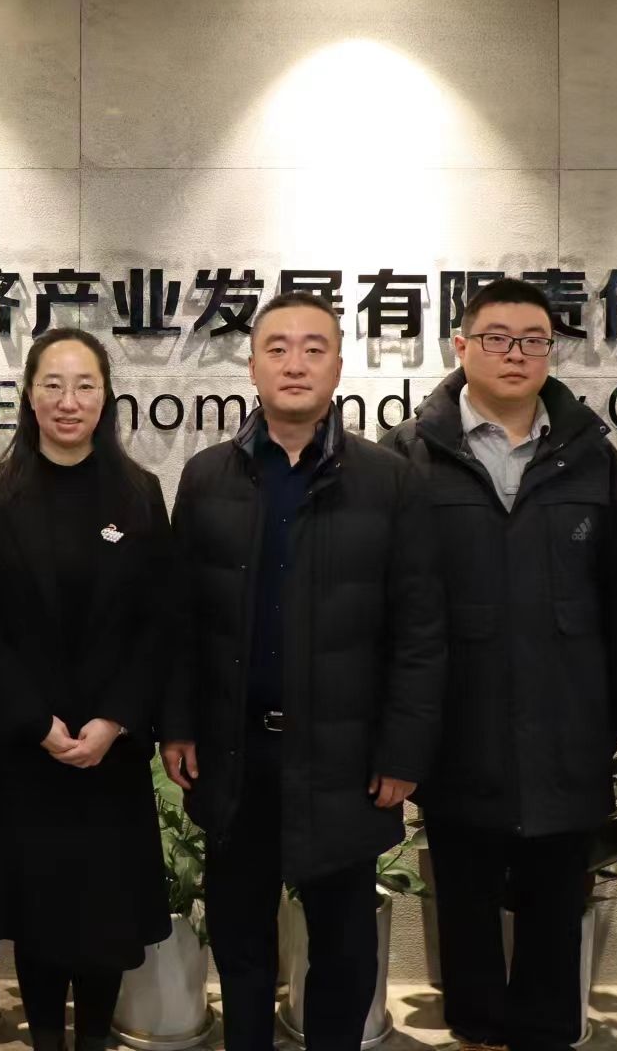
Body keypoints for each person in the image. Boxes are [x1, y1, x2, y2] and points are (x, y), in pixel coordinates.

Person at [162, 292, 446, 1051]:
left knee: (344, 948)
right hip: (236, 752)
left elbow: (420, 632)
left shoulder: (389, 480)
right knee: (241, 939)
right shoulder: (207, 477)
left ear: (339, 367)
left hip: (344, 757)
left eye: (314, 348)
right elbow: (181, 618)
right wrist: (178, 724)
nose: (295, 363)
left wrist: (402, 751)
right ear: (252, 366)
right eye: (278, 348)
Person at [380, 278, 617, 1051]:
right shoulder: (409, 456)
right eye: (496, 338)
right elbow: (388, 604)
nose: (515, 354)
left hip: (568, 724)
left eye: (533, 340)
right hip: (458, 723)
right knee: (465, 900)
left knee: (557, 898)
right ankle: (479, 1033)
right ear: (462, 346)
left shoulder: (590, 455)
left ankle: (547, 1034)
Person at [0, 328, 173, 1051]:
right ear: (27, 395)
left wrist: (114, 720)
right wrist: (33, 720)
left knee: (105, 921)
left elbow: (157, 623)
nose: (68, 401)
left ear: (106, 397)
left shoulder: (138, 494)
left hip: (110, 753)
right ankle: (47, 1038)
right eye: (52, 385)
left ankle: (94, 1041)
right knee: (40, 920)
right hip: (26, 751)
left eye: (84, 386)